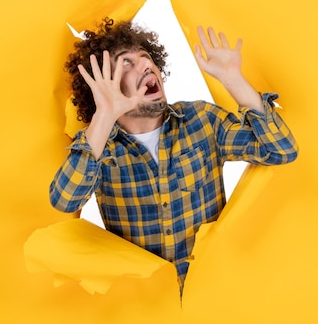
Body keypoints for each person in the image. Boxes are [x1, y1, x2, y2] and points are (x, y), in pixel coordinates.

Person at [49, 18, 298, 289]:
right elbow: (65, 201)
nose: (145, 64)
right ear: (103, 84)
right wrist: (105, 114)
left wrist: (233, 80)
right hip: (146, 306)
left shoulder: (201, 120)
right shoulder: (99, 145)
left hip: (214, 295)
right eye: (126, 63)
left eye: (145, 57)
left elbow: (281, 150)